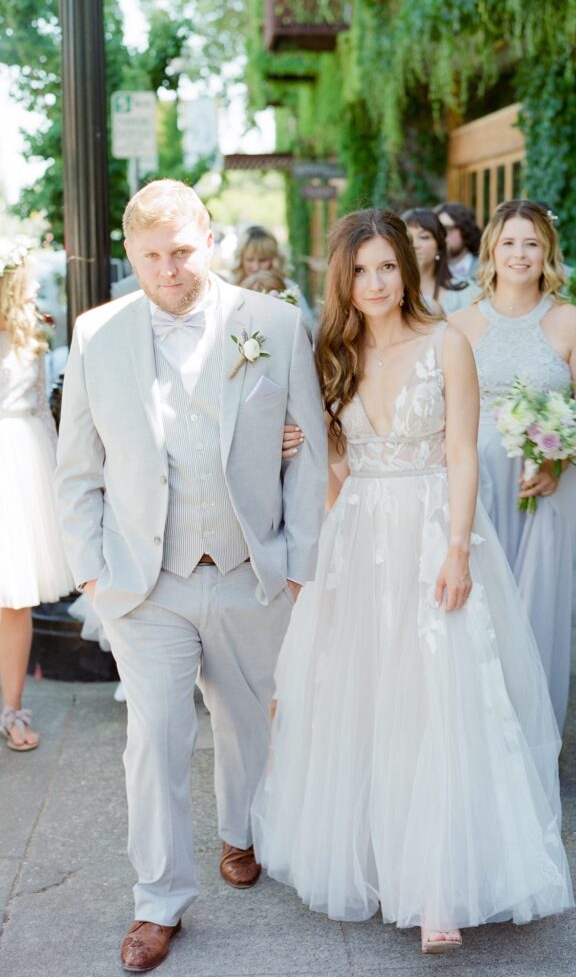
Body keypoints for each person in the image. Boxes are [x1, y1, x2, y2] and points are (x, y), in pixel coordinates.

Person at [252, 208, 573, 956]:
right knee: (367, 700)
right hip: (360, 539)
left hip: (435, 529)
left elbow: (463, 453)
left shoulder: (447, 343)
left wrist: (458, 550)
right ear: (343, 278)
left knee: (442, 700)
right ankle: (378, 858)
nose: (374, 282)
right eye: (359, 270)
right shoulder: (329, 355)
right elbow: (330, 466)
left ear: (408, 266)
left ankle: (438, 889)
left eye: (386, 266)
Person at [54, 180, 328, 973]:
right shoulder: (97, 333)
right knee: (156, 741)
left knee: (250, 724)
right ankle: (159, 901)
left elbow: (305, 450)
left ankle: (241, 835)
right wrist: (94, 578)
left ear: (206, 239)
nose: (169, 269)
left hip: (250, 568)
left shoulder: (273, 323)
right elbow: (78, 472)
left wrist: (300, 565)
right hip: (147, 581)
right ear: (130, 255)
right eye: (150, 256)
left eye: (181, 251)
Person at [450, 200, 576, 730]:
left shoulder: (572, 322)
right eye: (510, 242)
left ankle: (532, 733)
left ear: (548, 253)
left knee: (536, 605)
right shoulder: (460, 324)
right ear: (491, 247)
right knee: (480, 606)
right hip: (477, 484)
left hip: (547, 486)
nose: (520, 253)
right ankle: (481, 737)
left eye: (532, 243)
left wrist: (557, 462)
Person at [0, 240, 73, 751]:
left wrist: (57, 481)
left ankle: (13, 709)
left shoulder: (33, 335)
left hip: (22, 468)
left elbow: (45, 415)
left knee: (14, 599)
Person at [402, 208, 476, 314]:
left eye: (423, 237)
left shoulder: (466, 294)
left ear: (439, 247)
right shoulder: (390, 292)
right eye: (408, 238)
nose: (414, 245)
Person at [434, 201, 482, 283]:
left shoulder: (484, 269)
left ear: (465, 230)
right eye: (438, 230)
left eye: (447, 228)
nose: (442, 235)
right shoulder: (430, 270)